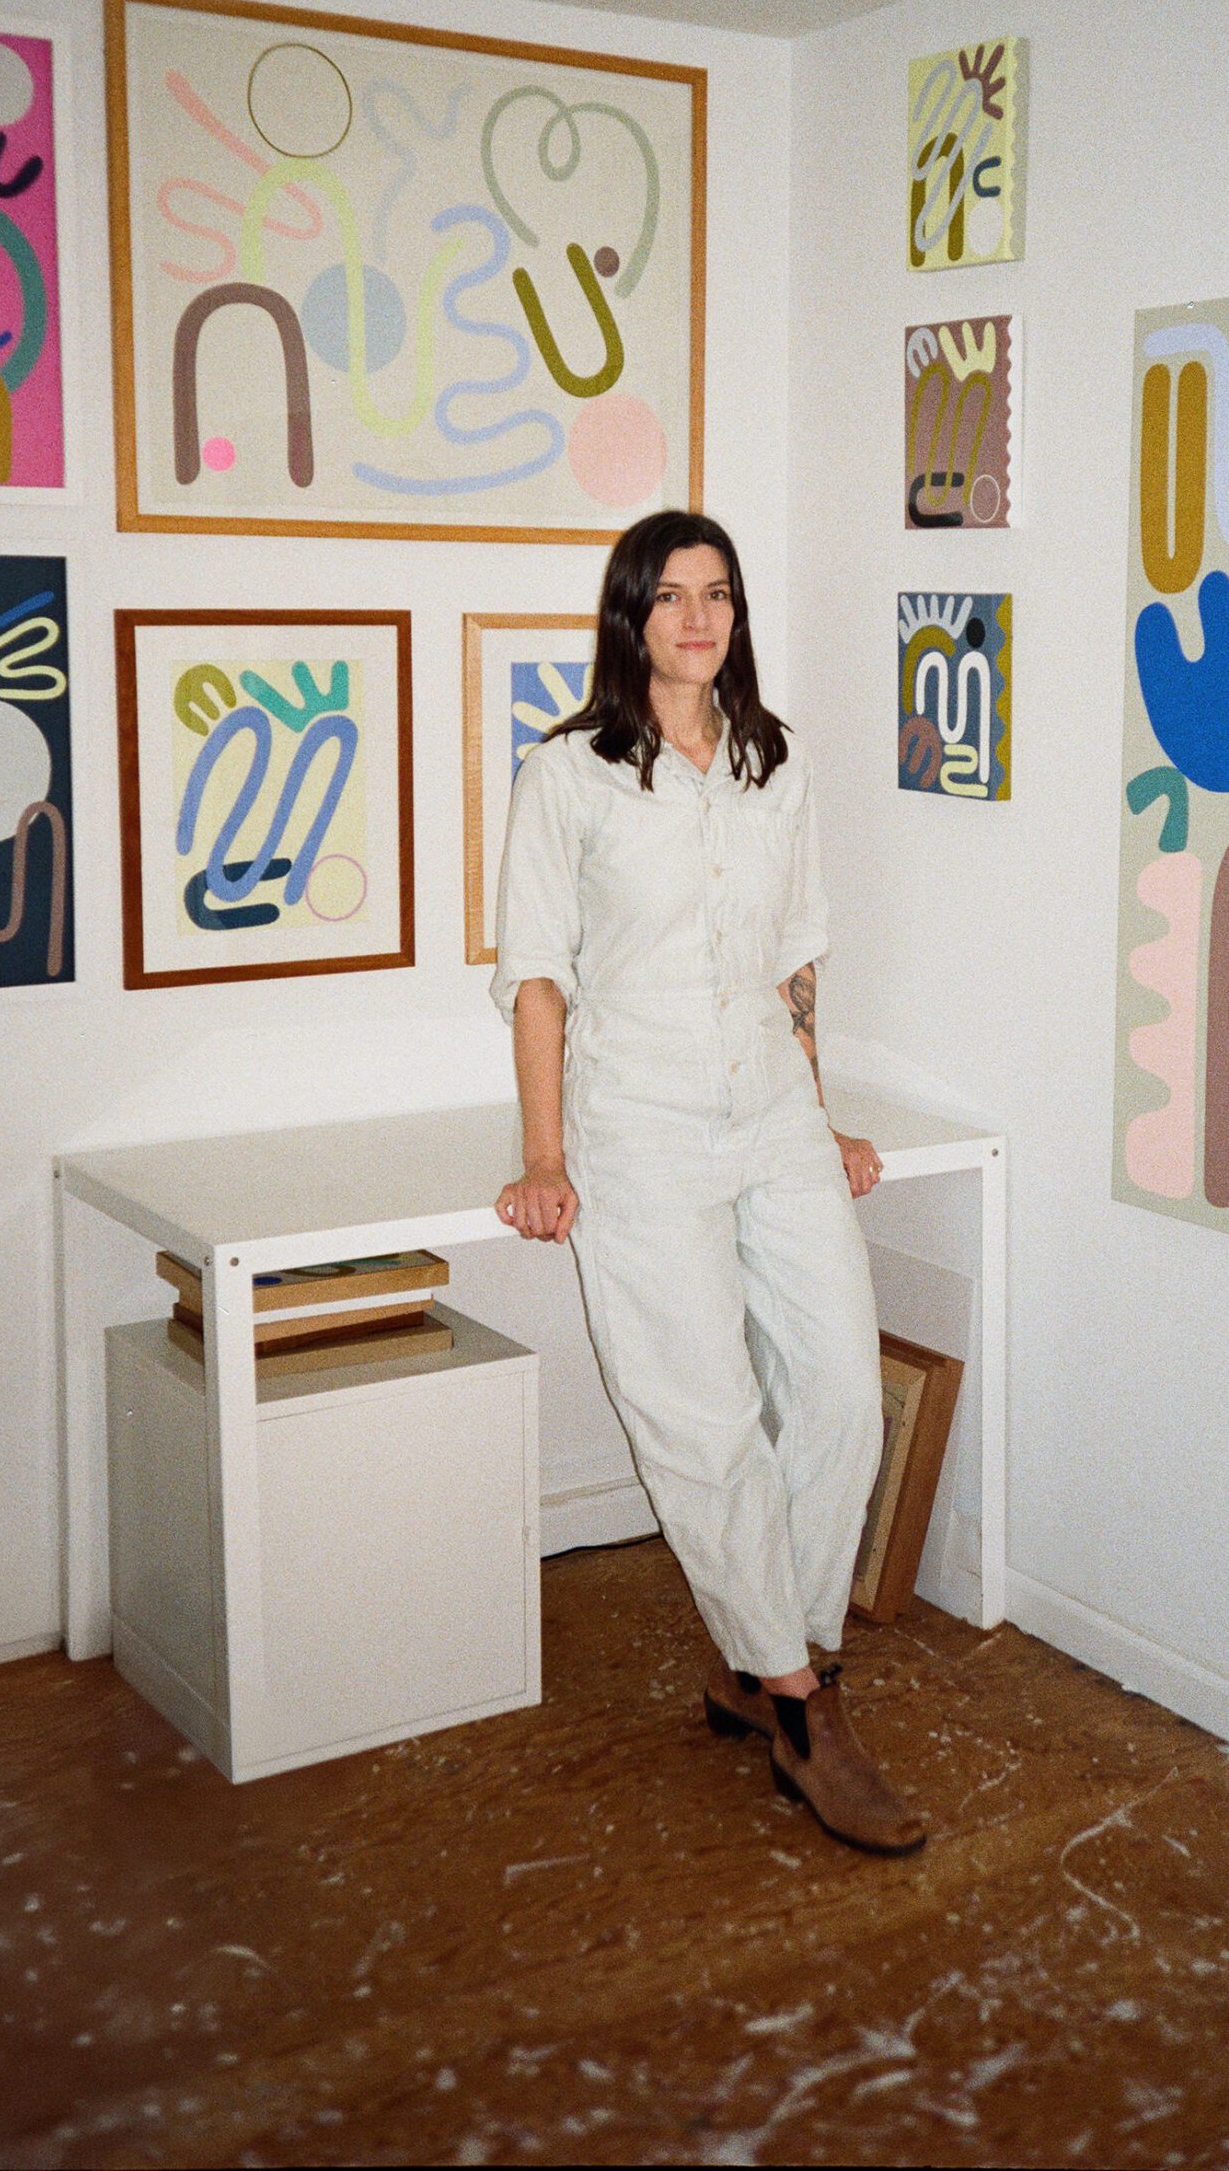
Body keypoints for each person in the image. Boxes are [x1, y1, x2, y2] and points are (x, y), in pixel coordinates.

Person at [490, 509, 925, 1856]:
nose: (698, 618)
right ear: (630, 615)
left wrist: (821, 1116)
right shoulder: (568, 774)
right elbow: (537, 976)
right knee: (701, 1418)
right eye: (672, 595)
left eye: (719, 594)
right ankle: (800, 1703)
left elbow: (795, 958)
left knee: (840, 1389)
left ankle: (762, 1654)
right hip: (637, 1122)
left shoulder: (770, 763)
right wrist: (546, 1157)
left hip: (771, 1105)